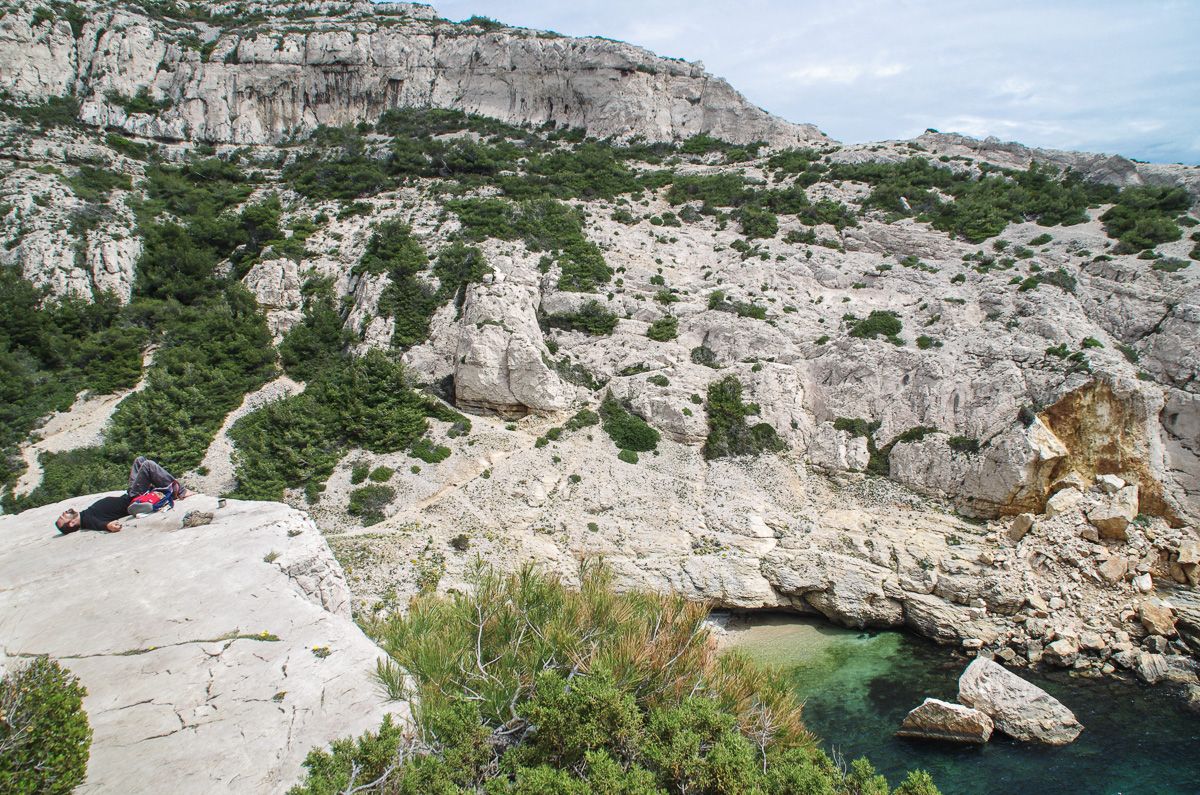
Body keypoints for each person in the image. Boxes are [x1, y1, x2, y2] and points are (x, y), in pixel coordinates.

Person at [55, 456, 192, 534]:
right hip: (133, 498)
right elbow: (99, 524)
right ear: (72, 523)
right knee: (148, 465)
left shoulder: (85, 514)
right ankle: (181, 492)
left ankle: (159, 490)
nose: (64, 512)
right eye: (64, 516)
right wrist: (108, 526)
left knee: (140, 460)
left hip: (129, 494)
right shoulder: (87, 521)